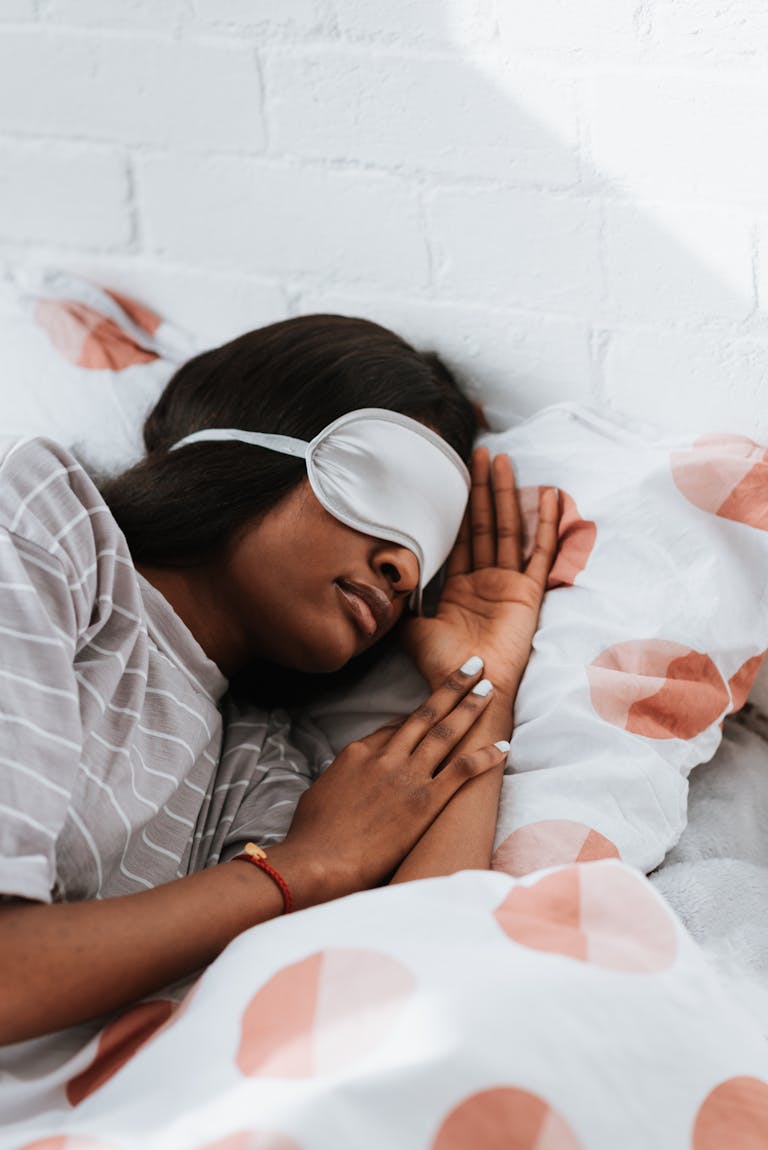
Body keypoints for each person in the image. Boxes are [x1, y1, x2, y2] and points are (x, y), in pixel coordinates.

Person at [0, 315, 558, 1046]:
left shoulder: (255, 767)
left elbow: (401, 987)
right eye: (387, 490)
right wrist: (303, 867)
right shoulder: (39, 521)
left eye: (430, 558)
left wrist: (484, 685)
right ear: (251, 435)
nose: (405, 569)